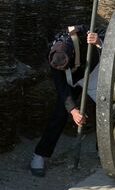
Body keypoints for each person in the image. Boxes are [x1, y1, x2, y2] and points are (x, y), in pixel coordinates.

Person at [30, 25, 102, 177]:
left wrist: (98, 40)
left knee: (103, 106)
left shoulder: (81, 32)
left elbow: (106, 30)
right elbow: (62, 89)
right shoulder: (54, 56)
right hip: (69, 80)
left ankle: (103, 150)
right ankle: (40, 154)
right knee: (60, 112)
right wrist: (74, 110)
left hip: (91, 71)